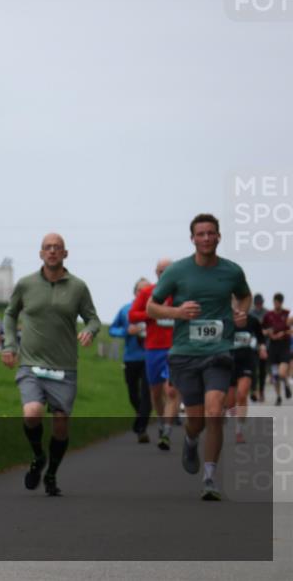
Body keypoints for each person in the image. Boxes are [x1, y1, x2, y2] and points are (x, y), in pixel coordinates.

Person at [147, 213, 251, 501]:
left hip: (218, 352)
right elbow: (152, 307)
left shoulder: (231, 271)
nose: (206, 238)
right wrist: (177, 312)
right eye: (200, 234)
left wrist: (241, 312)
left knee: (215, 411)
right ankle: (191, 440)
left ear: (219, 236)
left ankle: (209, 478)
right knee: (197, 420)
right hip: (185, 354)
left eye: (211, 233)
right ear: (192, 238)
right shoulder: (177, 272)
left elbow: (244, 295)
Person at [2, 233, 101, 497]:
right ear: (41, 253)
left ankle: (52, 474)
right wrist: (10, 345)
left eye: (57, 248)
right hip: (31, 364)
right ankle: (38, 457)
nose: (53, 251)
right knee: (32, 413)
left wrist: (90, 331)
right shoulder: (26, 284)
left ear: (65, 254)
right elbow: (10, 314)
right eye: (48, 248)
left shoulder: (78, 287)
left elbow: (93, 319)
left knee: (60, 425)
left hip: (64, 367)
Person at [130, 258, 182, 451]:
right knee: (156, 392)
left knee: (171, 391)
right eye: (161, 271)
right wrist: (153, 313)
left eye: (167, 271)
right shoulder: (147, 293)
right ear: (156, 272)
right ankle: (161, 422)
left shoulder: (181, 292)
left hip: (177, 348)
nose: (164, 274)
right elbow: (132, 316)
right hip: (153, 348)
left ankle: (167, 430)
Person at [109, 278, 152, 443]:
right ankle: (141, 418)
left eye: (147, 290)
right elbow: (113, 329)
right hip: (131, 357)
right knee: (133, 394)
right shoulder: (126, 310)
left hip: (149, 357)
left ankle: (141, 428)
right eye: (141, 290)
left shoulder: (155, 310)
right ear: (135, 293)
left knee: (147, 394)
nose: (144, 293)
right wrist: (126, 331)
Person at [227, 300, 267, 443]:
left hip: (247, 360)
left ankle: (239, 431)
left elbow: (261, 337)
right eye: (235, 302)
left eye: (241, 302)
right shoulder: (225, 320)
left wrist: (262, 348)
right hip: (228, 361)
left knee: (242, 394)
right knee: (230, 402)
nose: (237, 306)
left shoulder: (253, 321)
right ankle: (234, 419)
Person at [263, 293, 291, 405]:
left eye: (278, 302)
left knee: (282, 373)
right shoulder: (268, 315)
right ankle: (278, 396)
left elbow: (291, 330)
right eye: (275, 302)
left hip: (284, 346)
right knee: (275, 376)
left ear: (281, 303)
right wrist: (268, 333)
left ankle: (287, 384)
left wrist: (283, 333)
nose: (276, 304)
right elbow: (262, 330)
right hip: (273, 347)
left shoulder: (287, 314)